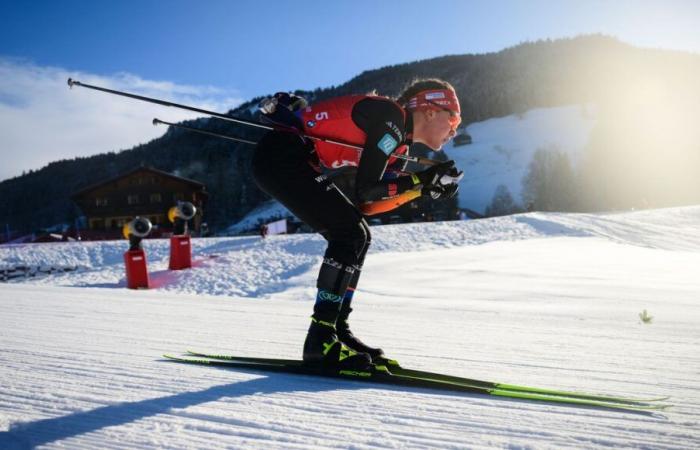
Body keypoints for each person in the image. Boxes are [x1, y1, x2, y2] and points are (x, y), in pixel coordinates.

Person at [251, 79, 463, 371]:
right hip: (282, 156)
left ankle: (335, 330)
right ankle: (320, 339)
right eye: (453, 118)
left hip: (290, 160)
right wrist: (421, 180)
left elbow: (367, 205)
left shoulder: (397, 147)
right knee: (349, 234)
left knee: (358, 234)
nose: (455, 128)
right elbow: (367, 189)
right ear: (429, 111)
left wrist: (420, 189)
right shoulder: (391, 119)